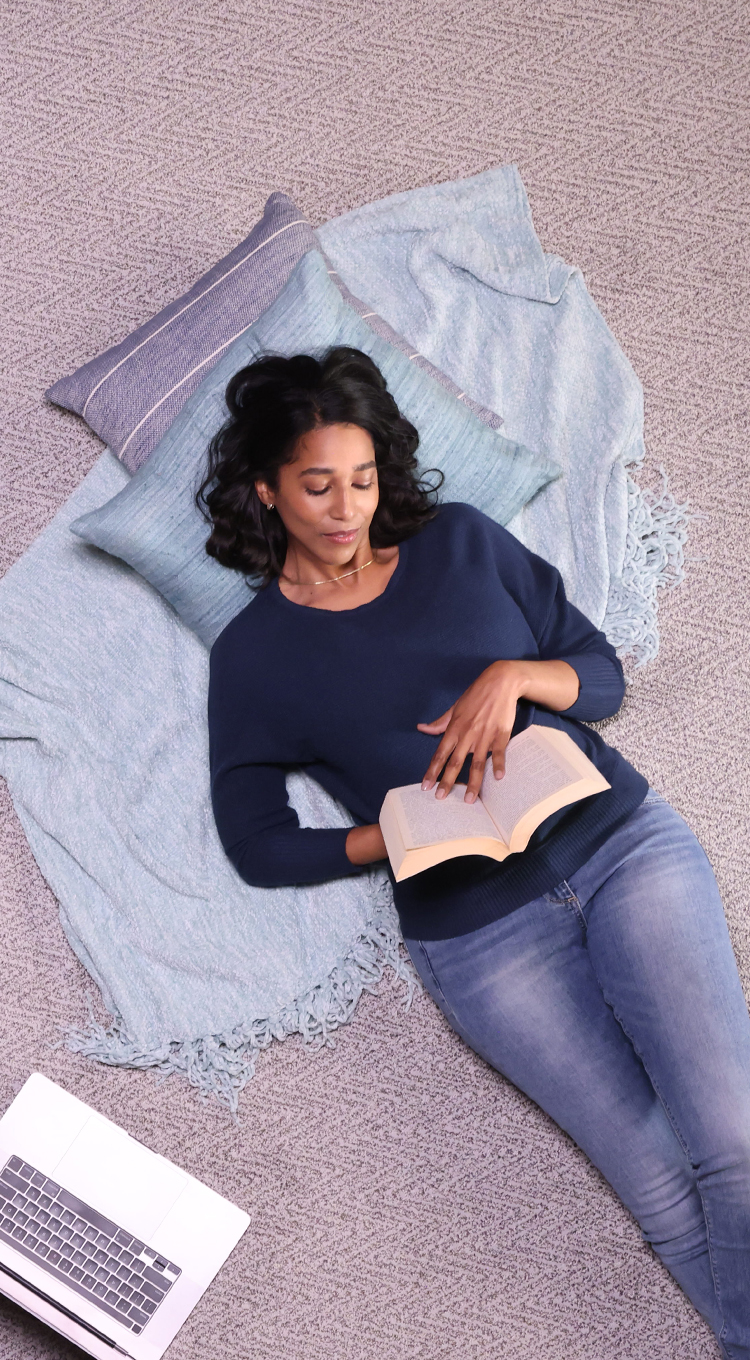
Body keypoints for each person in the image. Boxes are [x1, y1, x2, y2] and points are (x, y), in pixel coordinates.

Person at [200, 346, 750, 1357]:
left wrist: (514, 677)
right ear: (265, 489)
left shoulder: (459, 541)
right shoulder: (252, 657)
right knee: (663, 1192)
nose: (348, 509)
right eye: (318, 486)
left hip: (621, 848)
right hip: (482, 939)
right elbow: (256, 842)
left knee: (736, 1144)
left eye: (363, 479)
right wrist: (393, 832)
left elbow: (600, 675)